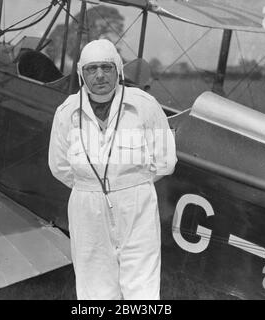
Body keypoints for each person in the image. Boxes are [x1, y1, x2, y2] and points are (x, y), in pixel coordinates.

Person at [48, 39, 177, 300]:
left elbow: (166, 160)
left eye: (106, 68)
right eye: (91, 68)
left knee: (141, 288)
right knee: (94, 288)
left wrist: (130, 183)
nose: (99, 75)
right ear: (81, 73)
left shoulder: (145, 105)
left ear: (118, 70)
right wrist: (93, 187)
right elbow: (59, 166)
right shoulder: (66, 113)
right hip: (87, 206)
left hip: (136, 205)